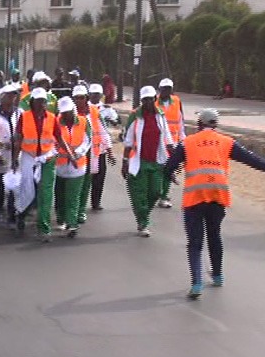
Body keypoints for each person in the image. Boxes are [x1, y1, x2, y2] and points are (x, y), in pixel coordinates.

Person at [164, 108, 265, 298]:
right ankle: (218, 275)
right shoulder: (227, 142)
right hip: (218, 196)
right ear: (216, 124)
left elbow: (169, 166)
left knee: (195, 242)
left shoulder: (187, 143)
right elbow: (253, 161)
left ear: (198, 124)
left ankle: (197, 283)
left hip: (194, 197)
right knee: (214, 235)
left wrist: (171, 174)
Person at [13, 87, 70, 242]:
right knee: (27, 190)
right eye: (39, 101)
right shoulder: (24, 117)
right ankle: (21, 214)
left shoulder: (52, 118)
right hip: (28, 156)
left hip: (47, 157)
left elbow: (59, 137)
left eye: (44, 101)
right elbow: (19, 139)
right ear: (32, 102)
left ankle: (44, 229)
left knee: (46, 193)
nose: (42, 104)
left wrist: (69, 153)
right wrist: (14, 160)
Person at [122, 86, 174, 237]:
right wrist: (125, 162)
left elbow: (167, 137)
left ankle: (144, 214)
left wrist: (172, 158)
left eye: (150, 99)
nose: (148, 102)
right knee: (140, 194)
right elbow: (129, 141)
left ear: (154, 99)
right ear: (141, 101)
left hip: (157, 161)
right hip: (140, 161)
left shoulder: (160, 115)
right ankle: (143, 222)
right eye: (145, 100)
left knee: (156, 192)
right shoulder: (135, 116)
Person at [53, 96, 91, 238]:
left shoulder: (83, 121)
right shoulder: (55, 122)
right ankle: (61, 218)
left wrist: (77, 153)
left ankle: (72, 224)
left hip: (78, 165)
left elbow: (87, 140)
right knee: (60, 195)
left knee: (73, 196)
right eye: (64, 112)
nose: (66, 115)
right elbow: (52, 140)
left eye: (68, 112)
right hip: (59, 165)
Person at [73, 85, 114, 218]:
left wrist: (110, 151)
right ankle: (73, 210)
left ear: (86, 98)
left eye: (82, 97)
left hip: (95, 152)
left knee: (90, 181)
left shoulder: (95, 112)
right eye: (77, 98)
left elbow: (103, 132)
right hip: (76, 154)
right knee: (78, 183)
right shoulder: (70, 112)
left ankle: (82, 210)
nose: (80, 100)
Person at [0, 84, 21, 225]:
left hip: (16, 154)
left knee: (14, 184)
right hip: (1, 154)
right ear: (2, 97)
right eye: (9, 95)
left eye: (14, 95)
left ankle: (12, 213)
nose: (12, 98)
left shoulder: (19, 113)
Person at [156, 78, 186, 209]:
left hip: (172, 142)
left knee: (169, 169)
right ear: (159, 89)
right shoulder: (154, 102)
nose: (166, 91)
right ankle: (156, 193)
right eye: (164, 88)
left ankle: (164, 196)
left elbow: (180, 121)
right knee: (158, 170)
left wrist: (182, 138)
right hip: (158, 142)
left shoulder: (177, 101)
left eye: (169, 88)